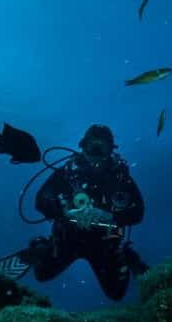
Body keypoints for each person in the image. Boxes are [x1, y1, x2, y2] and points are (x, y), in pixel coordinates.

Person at [17, 124, 149, 300]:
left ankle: (126, 257)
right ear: (82, 146)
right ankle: (43, 246)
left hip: (105, 244)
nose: (95, 152)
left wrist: (109, 216)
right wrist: (64, 212)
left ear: (110, 150)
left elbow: (138, 213)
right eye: (91, 145)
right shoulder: (67, 173)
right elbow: (41, 200)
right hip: (68, 238)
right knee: (42, 275)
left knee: (116, 294)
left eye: (101, 147)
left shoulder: (121, 178)